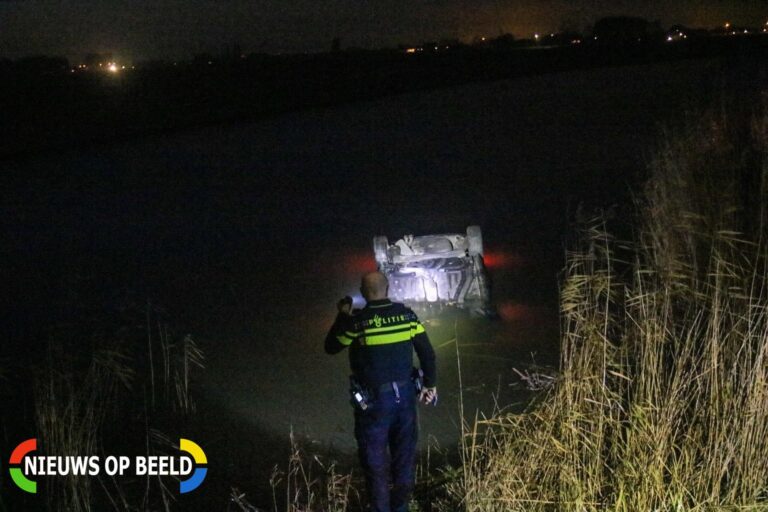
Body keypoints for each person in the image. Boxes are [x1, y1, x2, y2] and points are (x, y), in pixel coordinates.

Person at [325, 271, 437, 512]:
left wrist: (342, 315)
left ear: (364, 293)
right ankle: (401, 508)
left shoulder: (358, 322)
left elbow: (331, 346)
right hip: (406, 399)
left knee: (375, 465)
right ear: (388, 289)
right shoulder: (406, 316)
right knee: (404, 460)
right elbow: (427, 353)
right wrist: (430, 385)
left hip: (373, 405)